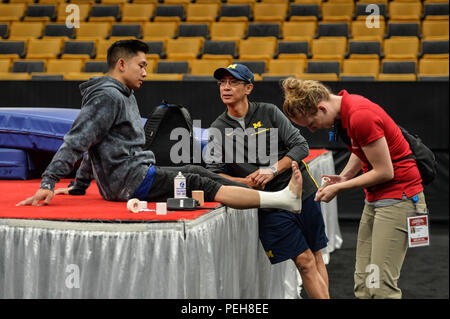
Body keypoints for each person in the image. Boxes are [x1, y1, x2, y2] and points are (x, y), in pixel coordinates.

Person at [16, 40, 305, 217]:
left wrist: (79, 186)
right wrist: (48, 182)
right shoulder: (108, 95)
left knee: (197, 171)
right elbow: (78, 140)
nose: (145, 72)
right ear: (121, 64)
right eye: (140, 66)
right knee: (201, 181)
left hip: (129, 177)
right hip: (131, 181)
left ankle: (254, 189)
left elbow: (95, 141)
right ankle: (279, 200)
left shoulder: (123, 95)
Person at [281, 77, 428, 299]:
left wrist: (341, 187)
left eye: (311, 123)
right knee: (363, 283)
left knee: (381, 287)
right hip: (377, 199)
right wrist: (344, 176)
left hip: (400, 198)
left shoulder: (360, 115)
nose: (313, 129)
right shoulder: (346, 114)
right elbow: (363, 149)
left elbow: (385, 171)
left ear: (321, 108)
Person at [205, 64, 330, 299]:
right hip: (268, 202)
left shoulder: (269, 111)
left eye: (233, 82)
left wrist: (272, 170)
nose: (226, 87)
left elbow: (301, 146)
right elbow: (214, 173)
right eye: (222, 83)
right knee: (304, 261)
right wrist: (244, 182)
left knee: (315, 255)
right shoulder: (217, 129)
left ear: (248, 88)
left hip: (301, 191)